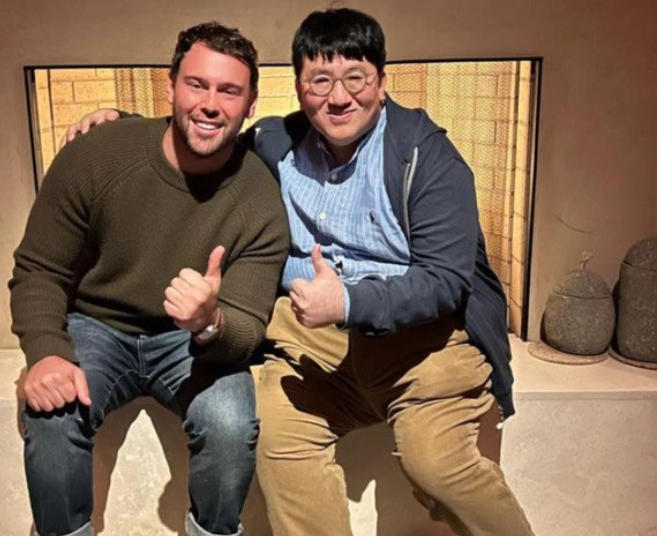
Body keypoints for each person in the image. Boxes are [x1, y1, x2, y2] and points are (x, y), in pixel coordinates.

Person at [64, 9, 534, 536]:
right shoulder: (275, 144)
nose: (339, 97)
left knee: (437, 464)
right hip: (312, 347)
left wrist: (350, 302)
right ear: (298, 88)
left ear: (382, 82)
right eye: (320, 81)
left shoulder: (426, 157)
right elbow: (204, 137)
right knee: (276, 437)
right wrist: (123, 124)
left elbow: (445, 281)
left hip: (424, 347)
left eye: (356, 78)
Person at [9, 22, 289, 536]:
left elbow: (248, 324)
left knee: (230, 426)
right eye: (197, 84)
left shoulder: (258, 197)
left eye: (229, 91)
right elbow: (38, 268)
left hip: (191, 344)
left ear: (251, 104)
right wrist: (46, 351)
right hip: (97, 325)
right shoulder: (97, 154)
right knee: (50, 415)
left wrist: (211, 320)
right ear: (171, 86)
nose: (210, 104)